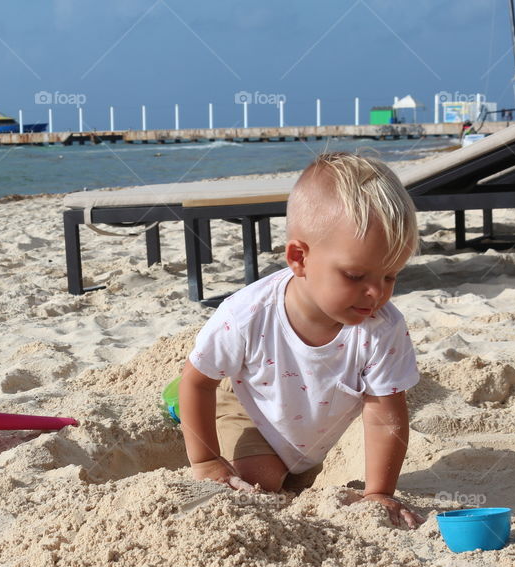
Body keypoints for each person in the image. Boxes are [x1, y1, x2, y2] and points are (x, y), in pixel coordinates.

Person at [178, 152, 426, 529]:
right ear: (299, 258)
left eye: (390, 275)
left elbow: (384, 414)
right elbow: (197, 381)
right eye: (356, 275)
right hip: (250, 408)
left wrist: (379, 491)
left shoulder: (382, 328)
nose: (376, 292)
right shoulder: (247, 314)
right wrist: (206, 461)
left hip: (309, 435)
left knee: (291, 480)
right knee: (262, 477)